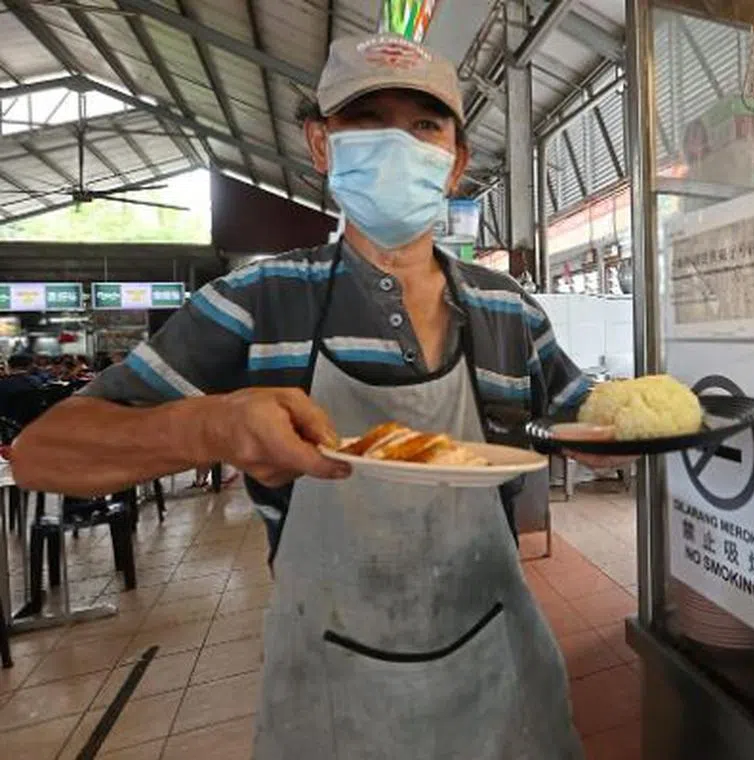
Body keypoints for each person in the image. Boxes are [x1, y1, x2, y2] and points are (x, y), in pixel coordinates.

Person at [12, 33, 617, 759]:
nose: (398, 143)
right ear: (321, 144)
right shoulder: (258, 300)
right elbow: (45, 453)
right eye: (367, 120)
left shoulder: (507, 310)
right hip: (332, 690)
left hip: (501, 678)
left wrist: (644, 425)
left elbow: (593, 421)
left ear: (456, 162)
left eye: (424, 125)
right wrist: (210, 425)